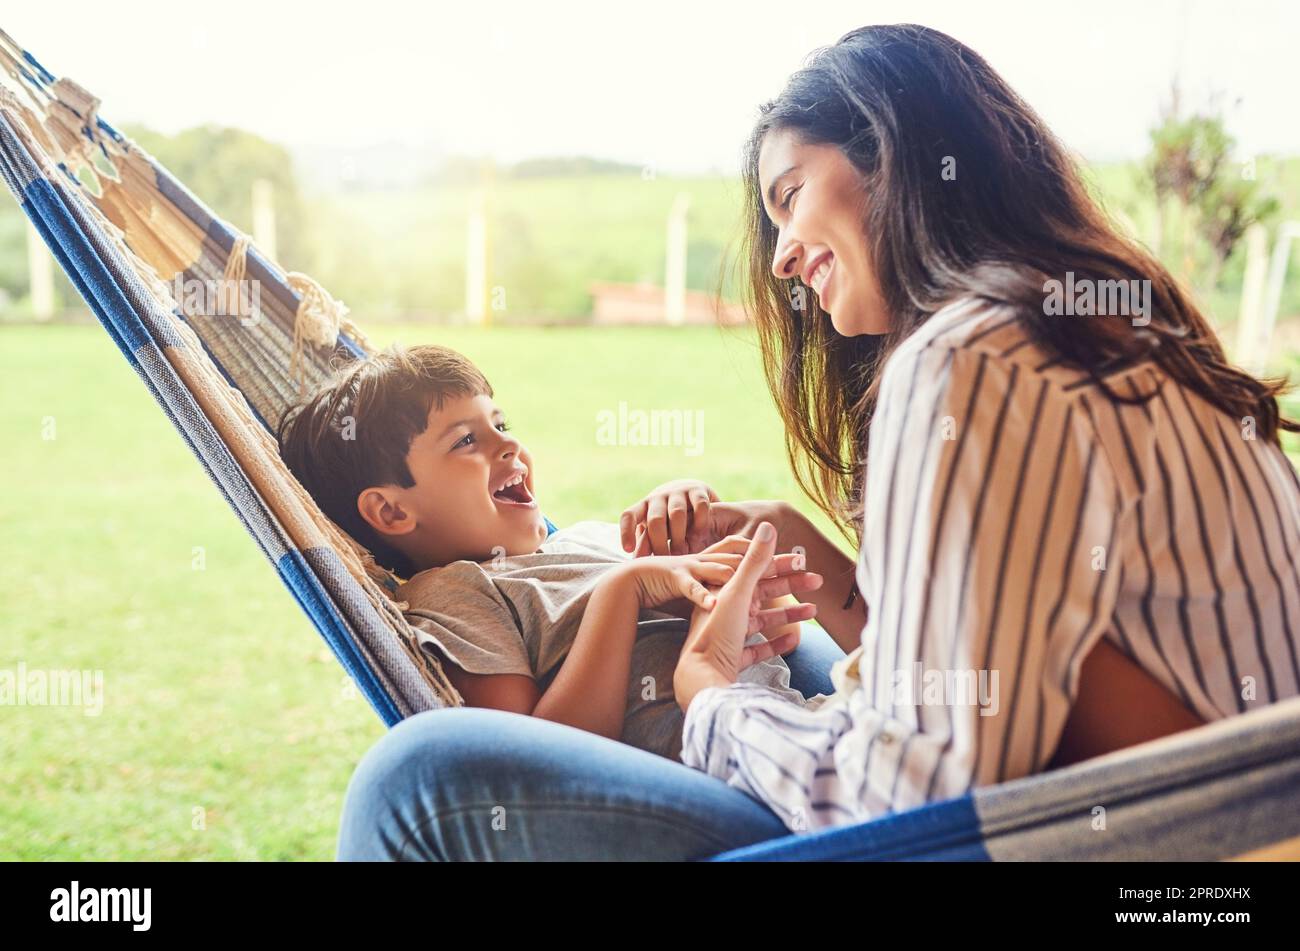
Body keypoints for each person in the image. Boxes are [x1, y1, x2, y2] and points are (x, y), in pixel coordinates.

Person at [335, 23, 1300, 860]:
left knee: (417, 780)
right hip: (1207, 830)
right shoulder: (1101, 329)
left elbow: (914, 796)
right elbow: (1027, 678)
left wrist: (714, 696)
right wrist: (817, 557)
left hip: (1106, 844)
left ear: (897, 149)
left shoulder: (972, 361)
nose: (786, 253)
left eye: (791, 194)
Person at [276, 344, 822, 762]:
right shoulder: (457, 590)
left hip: (797, 730)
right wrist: (624, 591)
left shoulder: (586, 538)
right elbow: (537, 761)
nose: (507, 444)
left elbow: (760, 633)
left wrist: (697, 539)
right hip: (731, 775)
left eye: (501, 424)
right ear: (393, 513)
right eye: (466, 441)